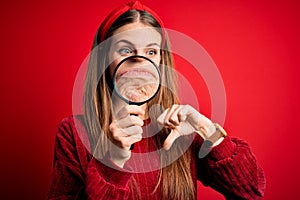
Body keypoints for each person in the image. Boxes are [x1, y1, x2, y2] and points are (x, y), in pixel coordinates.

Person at [47, 1, 266, 199]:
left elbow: (251, 190)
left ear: (161, 60)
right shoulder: (74, 132)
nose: (140, 62)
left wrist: (206, 128)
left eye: (151, 51)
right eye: (125, 50)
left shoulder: (181, 129)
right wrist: (113, 159)